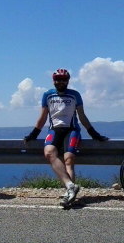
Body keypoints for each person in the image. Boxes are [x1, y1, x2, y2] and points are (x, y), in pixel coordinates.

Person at [24, 68, 108, 208]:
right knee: (49, 153)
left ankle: (69, 197)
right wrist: (33, 134)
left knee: (69, 159)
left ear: (68, 81)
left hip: (72, 130)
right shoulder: (48, 95)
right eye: (58, 79)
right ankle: (70, 186)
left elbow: (82, 116)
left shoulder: (75, 95)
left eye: (64, 79)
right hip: (54, 130)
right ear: (54, 81)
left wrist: (94, 134)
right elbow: (43, 117)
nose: (61, 82)